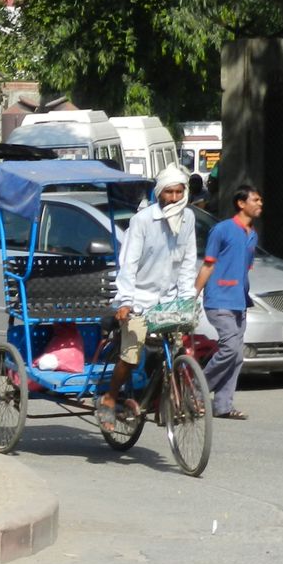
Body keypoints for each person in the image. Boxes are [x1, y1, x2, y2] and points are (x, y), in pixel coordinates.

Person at [99, 163, 197, 430]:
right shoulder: (142, 221)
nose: (174, 198)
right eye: (169, 193)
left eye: (179, 192)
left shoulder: (188, 220)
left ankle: (168, 397)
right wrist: (126, 300)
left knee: (178, 350)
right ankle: (109, 398)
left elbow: (188, 263)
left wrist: (188, 298)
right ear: (159, 193)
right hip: (138, 299)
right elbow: (128, 263)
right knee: (130, 354)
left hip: (168, 300)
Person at [195, 183, 263, 419]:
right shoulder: (222, 230)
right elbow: (208, 264)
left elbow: (245, 268)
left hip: (239, 302)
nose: (260, 204)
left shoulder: (252, 233)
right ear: (241, 203)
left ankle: (223, 405)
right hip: (219, 299)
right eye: (255, 200)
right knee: (230, 348)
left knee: (237, 355)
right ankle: (195, 389)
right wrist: (193, 294)